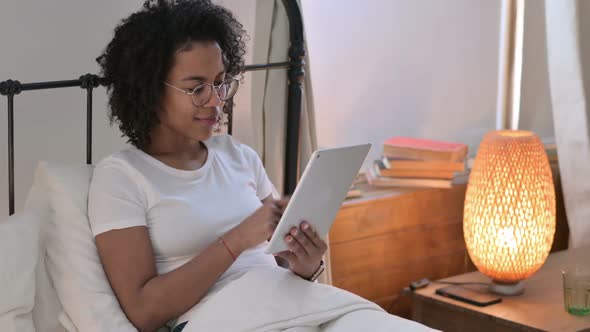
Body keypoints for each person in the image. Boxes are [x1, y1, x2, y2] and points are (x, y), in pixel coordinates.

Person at [89, 1, 327, 331]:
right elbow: (144, 311)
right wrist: (238, 239)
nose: (216, 100)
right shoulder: (120, 178)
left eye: (220, 82)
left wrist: (306, 264)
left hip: (286, 304)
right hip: (221, 319)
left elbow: (280, 256)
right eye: (196, 88)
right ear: (149, 90)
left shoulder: (237, 154)